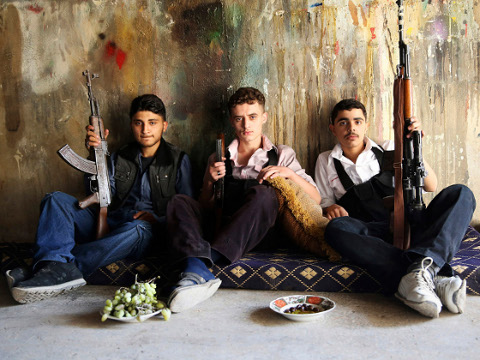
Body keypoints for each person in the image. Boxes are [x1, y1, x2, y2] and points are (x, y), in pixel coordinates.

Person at [6, 94, 194, 303]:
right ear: (131, 124)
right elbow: (101, 193)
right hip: (114, 222)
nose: (145, 130)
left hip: (145, 232)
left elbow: (187, 210)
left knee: (138, 229)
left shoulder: (178, 160)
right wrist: (94, 157)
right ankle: (51, 264)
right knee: (55, 199)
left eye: (152, 123)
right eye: (138, 123)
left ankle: (59, 269)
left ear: (164, 125)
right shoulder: (120, 156)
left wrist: (157, 220)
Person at [314, 98, 476, 318]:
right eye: (343, 122)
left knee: (461, 194)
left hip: (412, 222)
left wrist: (414, 146)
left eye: (357, 121)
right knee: (335, 229)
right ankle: (433, 274)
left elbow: (431, 185)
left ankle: (419, 273)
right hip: (373, 233)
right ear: (333, 128)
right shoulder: (326, 160)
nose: (351, 128)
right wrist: (330, 208)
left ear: (366, 125)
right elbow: (323, 202)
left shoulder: (391, 147)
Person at [166, 87, 321, 313]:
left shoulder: (282, 154)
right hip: (222, 226)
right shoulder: (218, 156)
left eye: (252, 117)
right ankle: (201, 263)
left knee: (265, 194)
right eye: (239, 119)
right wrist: (209, 181)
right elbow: (205, 207)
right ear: (231, 120)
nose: (246, 125)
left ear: (264, 118)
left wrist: (290, 174)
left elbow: (316, 198)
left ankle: (200, 264)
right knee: (179, 201)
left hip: (260, 233)